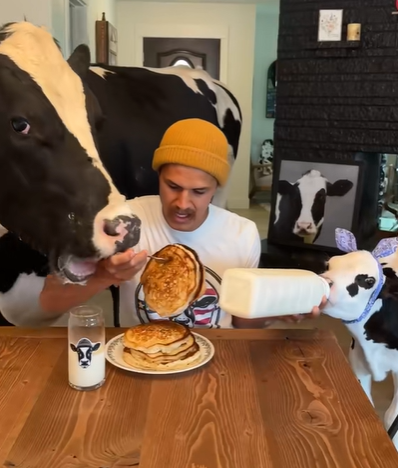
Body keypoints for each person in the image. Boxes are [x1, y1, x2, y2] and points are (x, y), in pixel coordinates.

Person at [38, 118, 324, 328]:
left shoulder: (241, 234)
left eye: (199, 192)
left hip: (213, 364)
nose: (183, 203)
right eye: (172, 186)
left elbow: (239, 321)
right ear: (158, 175)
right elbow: (50, 302)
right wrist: (106, 276)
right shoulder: (126, 220)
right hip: (139, 358)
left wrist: (277, 311)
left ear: (216, 189)